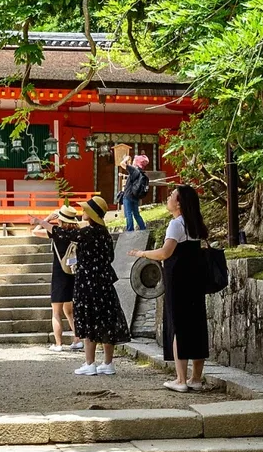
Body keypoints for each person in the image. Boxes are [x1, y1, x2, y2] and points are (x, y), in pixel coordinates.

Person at [131, 184, 211, 392]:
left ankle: (181, 379)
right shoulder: (195, 224)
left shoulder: (176, 224)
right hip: (195, 281)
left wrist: (143, 253)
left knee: (179, 327)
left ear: (179, 203)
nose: (168, 199)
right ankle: (196, 378)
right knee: (196, 326)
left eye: (172, 196)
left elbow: (165, 253)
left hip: (179, 281)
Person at [45, 194, 131, 375]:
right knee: (107, 320)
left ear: (91, 213)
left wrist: (42, 222)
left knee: (88, 320)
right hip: (105, 282)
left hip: (88, 282)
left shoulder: (88, 232)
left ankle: (90, 363)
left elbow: (63, 234)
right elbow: (110, 257)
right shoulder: (105, 235)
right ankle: (108, 363)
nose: (83, 212)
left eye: (85, 210)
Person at [32, 205, 83, 352]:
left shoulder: (57, 232)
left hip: (60, 272)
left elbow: (35, 232)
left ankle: (58, 344)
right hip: (73, 273)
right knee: (70, 311)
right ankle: (77, 339)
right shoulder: (77, 233)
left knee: (56, 311)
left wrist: (48, 218)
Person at [119, 155, 149, 232]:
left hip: (128, 195)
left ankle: (130, 230)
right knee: (136, 214)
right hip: (135, 196)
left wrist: (125, 159)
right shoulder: (141, 172)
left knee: (128, 214)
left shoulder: (134, 169)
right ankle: (143, 228)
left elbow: (122, 163)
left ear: (136, 162)